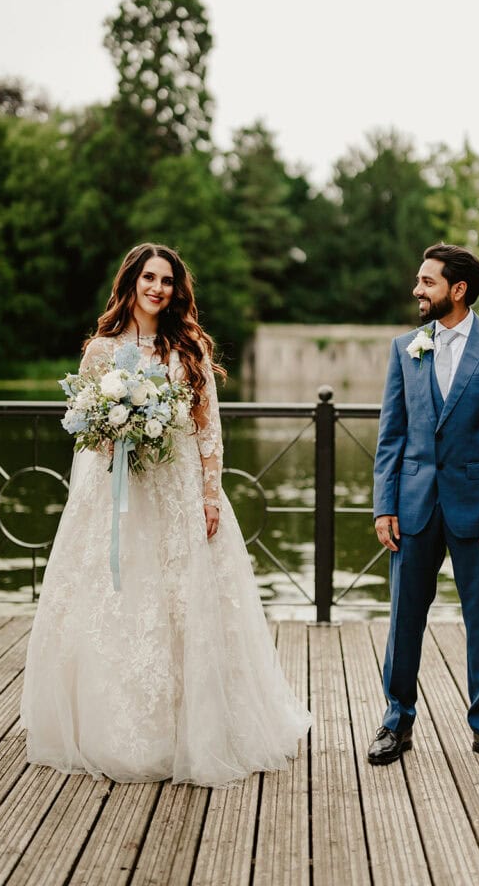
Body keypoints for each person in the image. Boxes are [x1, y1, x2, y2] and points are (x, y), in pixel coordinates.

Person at [21, 243, 310, 786]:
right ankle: (123, 725)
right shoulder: (101, 354)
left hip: (177, 488)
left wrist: (207, 493)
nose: (158, 288)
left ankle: (195, 726)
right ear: (130, 282)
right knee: (125, 599)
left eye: (167, 281)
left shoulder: (189, 347)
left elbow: (208, 428)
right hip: (121, 494)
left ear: (177, 290)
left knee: (185, 601)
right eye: (149, 278)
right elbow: (84, 433)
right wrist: (116, 431)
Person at [368, 243, 479, 771]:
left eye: (427, 282)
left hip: (477, 508)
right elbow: (391, 434)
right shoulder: (405, 348)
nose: (417, 290)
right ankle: (396, 720)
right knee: (403, 616)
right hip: (413, 505)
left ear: (457, 290)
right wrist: (383, 505)